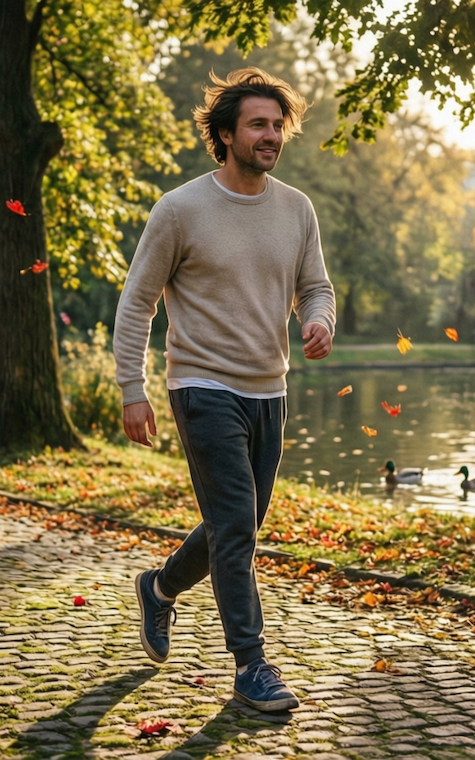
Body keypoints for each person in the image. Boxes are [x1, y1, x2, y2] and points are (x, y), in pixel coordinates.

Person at [113, 67, 335, 712]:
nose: (272, 136)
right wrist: (134, 387)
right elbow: (136, 304)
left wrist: (317, 319)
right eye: (259, 125)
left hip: (270, 388)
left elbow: (314, 287)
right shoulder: (181, 209)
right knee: (237, 526)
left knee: (232, 526)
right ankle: (251, 667)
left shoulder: (297, 208)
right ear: (226, 134)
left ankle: (159, 588)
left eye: (278, 125)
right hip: (202, 385)